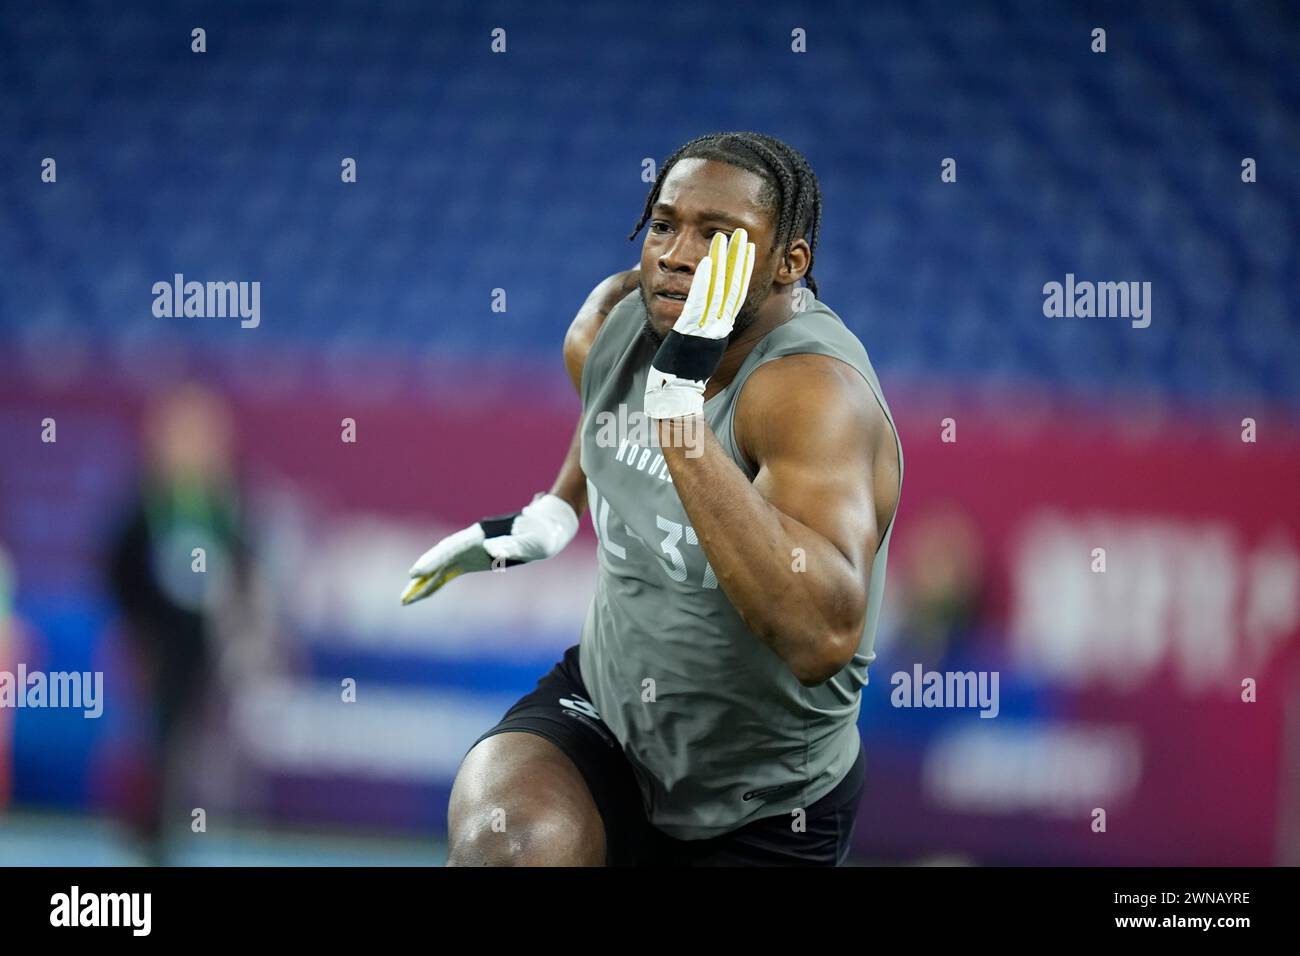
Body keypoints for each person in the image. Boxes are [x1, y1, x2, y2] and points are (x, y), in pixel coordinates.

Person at [405, 132, 902, 866]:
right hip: (604, 717)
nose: (676, 254)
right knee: (506, 848)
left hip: (765, 799)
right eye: (665, 223)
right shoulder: (613, 321)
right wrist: (557, 504)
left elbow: (818, 636)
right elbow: (603, 413)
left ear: (790, 264)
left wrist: (678, 413)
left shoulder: (814, 397)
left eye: (719, 236)